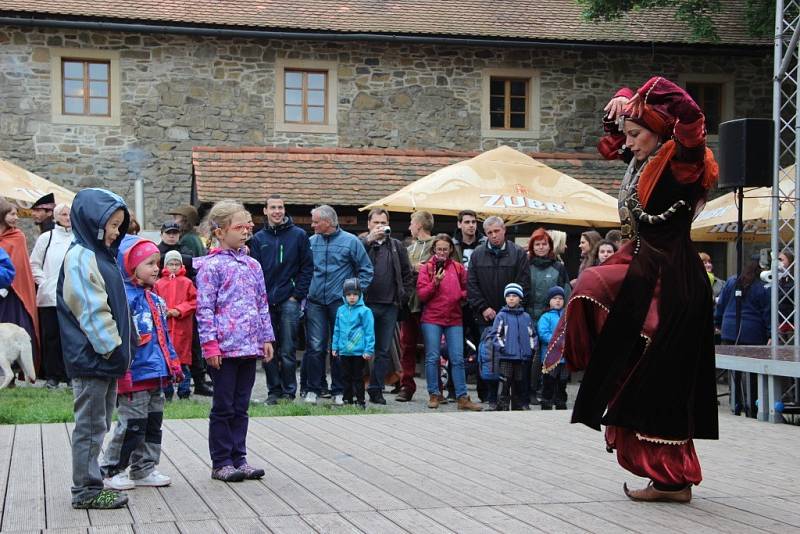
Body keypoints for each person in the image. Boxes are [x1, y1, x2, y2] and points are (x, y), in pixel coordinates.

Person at [544, 76, 720, 503]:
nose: (629, 142)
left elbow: (693, 120)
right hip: (644, 268)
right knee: (631, 369)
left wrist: (654, 87)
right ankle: (667, 479)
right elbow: (617, 136)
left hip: (671, 280)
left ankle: (673, 481)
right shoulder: (645, 158)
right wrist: (625, 101)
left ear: (660, 133)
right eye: (628, 134)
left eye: (636, 134)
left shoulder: (680, 161)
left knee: (659, 382)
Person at [57, 188, 131, 509]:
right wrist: (112, 348)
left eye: (118, 225)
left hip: (105, 359)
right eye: (112, 225)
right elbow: (91, 311)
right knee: (89, 426)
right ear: (92, 222)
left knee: (99, 423)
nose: (116, 232)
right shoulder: (81, 257)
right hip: (94, 358)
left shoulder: (101, 256)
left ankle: (92, 482)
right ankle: (85, 490)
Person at [196, 200, 274, 482]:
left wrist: (266, 337)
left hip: (249, 346)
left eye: (249, 226)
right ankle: (221, 461)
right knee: (224, 405)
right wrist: (210, 345)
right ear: (219, 232)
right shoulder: (211, 267)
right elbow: (204, 309)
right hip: (224, 349)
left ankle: (239, 458)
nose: (246, 232)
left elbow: (262, 302)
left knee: (241, 405)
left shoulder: (253, 264)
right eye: (239, 227)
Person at [101, 236, 183, 490]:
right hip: (134, 374)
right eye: (149, 263)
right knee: (132, 425)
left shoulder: (156, 299)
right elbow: (122, 340)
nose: (156, 268)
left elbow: (163, 337)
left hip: (156, 374)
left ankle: (144, 469)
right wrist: (122, 371)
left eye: (157, 263)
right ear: (130, 267)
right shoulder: (123, 299)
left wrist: (174, 365)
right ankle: (112, 469)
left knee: (152, 424)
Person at [304, 205, 373, 405]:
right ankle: (313, 389)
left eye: (316, 221)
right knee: (315, 347)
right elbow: (303, 269)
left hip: (341, 304)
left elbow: (366, 270)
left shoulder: (351, 242)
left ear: (328, 222)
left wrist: (355, 296)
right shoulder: (310, 242)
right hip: (315, 301)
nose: (313, 225)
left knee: (341, 348)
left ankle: (339, 391)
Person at [250, 195, 313, 404]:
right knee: (268, 349)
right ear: (265, 211)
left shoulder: (299, 235)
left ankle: (288, 391)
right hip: (266, 301)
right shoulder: (259, 239)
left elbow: (307, 267)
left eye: (280, 207)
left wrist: (297, 295)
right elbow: (254, 271)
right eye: (273, 208)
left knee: (287, 349)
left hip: (289, 300)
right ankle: (273, 391)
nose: (277, 211)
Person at [467, 216, 530, 409]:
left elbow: (524, 284)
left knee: (515, 358)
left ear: (504, 230)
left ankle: (518, 399)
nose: (494, 236)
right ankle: (490, 398)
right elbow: (471, 285)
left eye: (497, 231)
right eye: (489, 233)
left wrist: (511, 308)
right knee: (489, 357)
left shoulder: (518, 253)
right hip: (485, 316)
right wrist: (483, 307)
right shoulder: (477, 255)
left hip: (513, 316)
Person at [417, 234, 482, 411]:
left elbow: (467, 289)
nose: (442, 252)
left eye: (445, 249)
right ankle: (434, 394)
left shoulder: (459, 268)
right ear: (434, 250)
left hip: (454, 317)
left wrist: (458, 296)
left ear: (451, 250)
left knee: (457, 358)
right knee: (432, 357)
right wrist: (435, 283)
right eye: (439, 249)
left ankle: (462, 397)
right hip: (432, 318)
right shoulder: (427, 268)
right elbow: (422, 295)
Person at [360, 208, 412, 405]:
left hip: (389, 305)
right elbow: (352, 263)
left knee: (382, 351)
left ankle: (376, 389)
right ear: (369, 224)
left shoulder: (397, 246)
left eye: (383, 222)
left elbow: (407, 274)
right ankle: (357, 387)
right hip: (364, 305)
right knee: (361, 348)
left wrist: (403, 296)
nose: (380, 226)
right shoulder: (361, 244)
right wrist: (368, 241)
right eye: (376, 223)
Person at [714, 258, 770, 416]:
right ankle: (751, 404)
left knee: (734, 369)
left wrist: (718, 321)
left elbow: (721, 304)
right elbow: (767, 312)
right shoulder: (761, 287)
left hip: (729, 329)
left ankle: (735, 402)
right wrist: (770, 333)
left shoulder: (732, 281)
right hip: (753, 332)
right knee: (751, 371)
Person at [526, 227, 571, 406]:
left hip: (553, 317)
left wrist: (565, 312)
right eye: (537, 244)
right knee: (533, 356)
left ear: (550, 246)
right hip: (530, 315)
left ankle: (550, 392)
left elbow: (565, 291)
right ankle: (530, 390)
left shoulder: (558, 267)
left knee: (550, 356)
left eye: (544, 244)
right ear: (532, 246)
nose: (541, 247)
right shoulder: (526, 265)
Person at [30, 203, 72, 389]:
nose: (67, 217)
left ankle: (71, 374)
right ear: (56, 216)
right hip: (49, 296)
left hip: (73, 297)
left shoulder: (79, 238)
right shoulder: (46, 238)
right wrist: (45, 281)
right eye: (63, 214)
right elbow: (34, 264)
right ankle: (53, 376)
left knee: (72, 337)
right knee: (51, 337)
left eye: (70, 214)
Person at [396, 210, 436, 403]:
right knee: (407, 346)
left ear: (419, 225)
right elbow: (404, 270)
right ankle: (407, 386)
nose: (409, 227)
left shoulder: (437, 245)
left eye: (411, 223)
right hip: (410, 305)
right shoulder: (409, 249)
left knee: (433, 347)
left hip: (430, 304)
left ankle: (437, 388)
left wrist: (426, 267)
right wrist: (413, 268)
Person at [0, 199, 39, 378]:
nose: (15, 218)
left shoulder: (18, 236)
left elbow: (17, 267)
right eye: (12, 213)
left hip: (13, 293)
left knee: (13, 329)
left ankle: (14, 372)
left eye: (16, 214)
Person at [155, 250, 197, 400]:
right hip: (165, 328)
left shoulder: (187, 283)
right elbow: (154, 301)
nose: (173, 267)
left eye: (176, 264)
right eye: (170, 264)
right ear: (165, 265)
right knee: (166, 361)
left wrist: (178, 310)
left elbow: (193, 301)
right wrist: (163, 312)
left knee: (183, 362)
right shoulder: (159, 283)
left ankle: (184, 392)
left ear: (181, 266)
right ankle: (167, 392)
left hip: (182, 328)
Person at [490, 283, 537, 411]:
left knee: (519, 384)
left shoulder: (526, 317)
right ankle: (502, 407)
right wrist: (503, 347)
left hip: (521, 357)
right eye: (508, 296)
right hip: (506, 356)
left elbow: (532, 335)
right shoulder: (501, 316)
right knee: (504, 382)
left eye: (514, 296)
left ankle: (517, 407)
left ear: (520, 298)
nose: (511, 298)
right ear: (505, 298)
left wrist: (531, 349)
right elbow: (495, 335)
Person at [332, 278, 375, 408]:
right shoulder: (341, 310)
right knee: (345, 377)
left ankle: (360, 401)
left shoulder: (365, 311)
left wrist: (368, 350)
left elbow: (369, 332)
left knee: (357, 377)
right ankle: (347, 399)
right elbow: (337, 329)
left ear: (360, 294)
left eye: (355, 294)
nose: (352, 297)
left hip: (358, 352)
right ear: (344, 295)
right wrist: (335, 346)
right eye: (349, 294)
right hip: (344, 351)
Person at [538, 286, 567, 410]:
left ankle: (561, 402)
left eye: (560, 298)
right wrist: (557, 341)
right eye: (555, 298)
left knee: (562, 382)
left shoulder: (567, 316)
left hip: (564, 357)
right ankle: (547, 402)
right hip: (550, 356)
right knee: (549, 381)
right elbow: (543, 333)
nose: (558, 301)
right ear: (549, 301)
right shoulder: (545, 317)